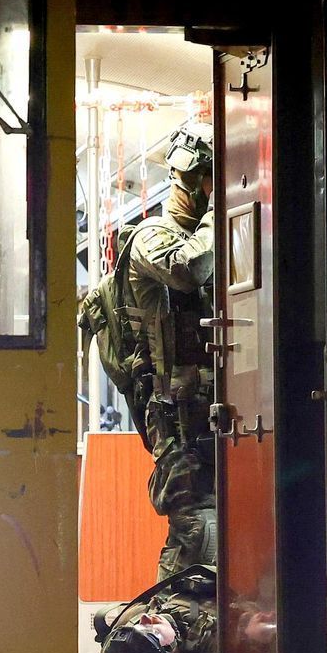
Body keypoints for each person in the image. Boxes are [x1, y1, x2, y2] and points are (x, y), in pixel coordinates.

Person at [79, 117, 217, 581]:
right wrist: (225, 214)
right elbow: (188, 270)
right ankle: (157, 635)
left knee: (209, 531)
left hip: (208, 409)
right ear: (193, 179)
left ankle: (171, 633)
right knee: (198, 528)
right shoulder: (151, 237)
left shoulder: (208, 240)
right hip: (176, 417)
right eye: (212, 179)